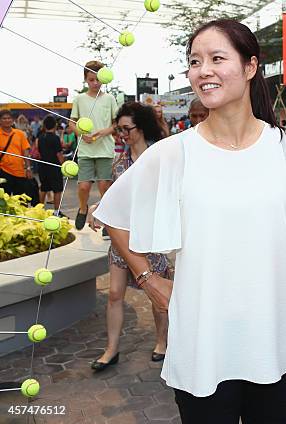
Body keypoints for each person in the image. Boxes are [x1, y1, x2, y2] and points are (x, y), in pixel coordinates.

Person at [93, 19, 286, 423]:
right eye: (194, 61)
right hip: (201, 342)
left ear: (250, 67)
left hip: (273, 337)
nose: (202, 70)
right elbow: (114, 217)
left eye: (216, 58)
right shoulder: (173, 153)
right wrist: (149, 279)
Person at [88, 101, 171, 371]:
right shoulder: (119, 161)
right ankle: (111, 349)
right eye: (119, 129)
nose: (123, 134)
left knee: (157, 294)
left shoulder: (159, 157)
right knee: (113, 294)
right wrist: (98, 206)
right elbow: (114, 197)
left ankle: (162, 342)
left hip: (151, 238)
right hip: (121, 238)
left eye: (127, 128)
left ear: (142, 127)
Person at [69, 60, 118, 231]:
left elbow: (116, 124)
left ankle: (106, 218)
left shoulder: (110, 99)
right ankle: (82, 208)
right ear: (85, 79)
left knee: (105, 186)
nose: (95, 83)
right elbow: (72, 123)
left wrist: (104, 132)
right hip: (85, 150)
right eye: (91, 80)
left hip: (105, 149)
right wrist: (82, 135)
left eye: (98, 80)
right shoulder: (79, 99)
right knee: (84, 186)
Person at [0, 110, 35, 203]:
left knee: (20, 201)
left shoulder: (20, 134)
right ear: (0, 121)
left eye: (9, 118)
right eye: (4, 118)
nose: (7, 120)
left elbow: (25, 152)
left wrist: (28, 168)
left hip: (19, 172)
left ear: (12, 120)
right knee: (4, 201)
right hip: (3, 172)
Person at [37, 115, 65, 214]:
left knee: (43, 188)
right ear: (55, 125)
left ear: (44, 125)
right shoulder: (56, 138)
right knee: (57, 190)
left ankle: (39, 210)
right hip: (54, 167)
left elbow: (38, 151)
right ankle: (56, 211)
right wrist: (64, 165)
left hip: (43, 165)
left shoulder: (40, 138)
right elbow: (59, 154)